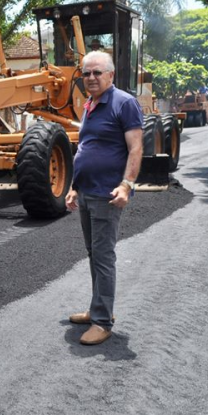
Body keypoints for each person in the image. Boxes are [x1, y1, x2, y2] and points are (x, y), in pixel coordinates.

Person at [65, 51, 144, 346]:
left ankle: (102, 321)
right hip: (86, 191)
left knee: (103, 256)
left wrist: (126, 185)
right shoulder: (90, 105)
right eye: (86, 73)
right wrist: (74, 186)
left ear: (110, 75)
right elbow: (85, 147)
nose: (91, 78)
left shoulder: (124, 103)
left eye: (97, 72)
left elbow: (136, 149)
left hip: (106, 194)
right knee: (93, 253)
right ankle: (97, 307)